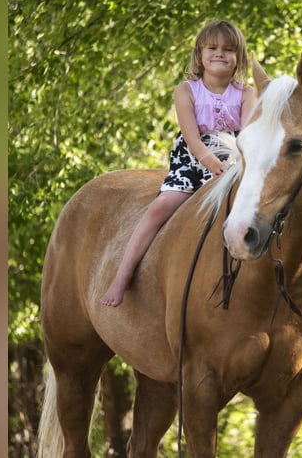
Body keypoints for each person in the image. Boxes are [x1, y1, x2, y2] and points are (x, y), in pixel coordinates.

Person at [101, 20, 255, 307]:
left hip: (233, 160)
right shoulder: (186, 91)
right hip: (193, 158)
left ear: (239, 58)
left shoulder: (246, 94)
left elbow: (246, 136)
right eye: (212, 48)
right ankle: (122, 275)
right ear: (199, 55)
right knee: (161, 206)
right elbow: (191, 135)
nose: (220, 54)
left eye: (228, 49)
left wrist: (234, 166)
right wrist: (209, 161)